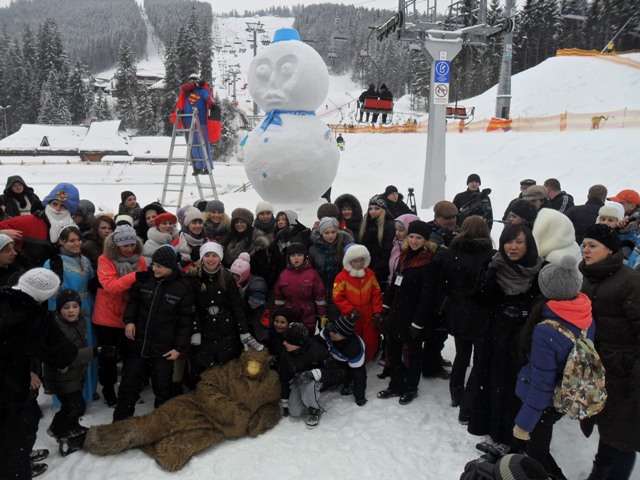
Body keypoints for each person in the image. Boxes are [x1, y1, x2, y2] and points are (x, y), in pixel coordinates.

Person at [85, 349, 281, 472]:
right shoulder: (229, 370)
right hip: (195, 405)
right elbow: (206, 385)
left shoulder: (270, 383)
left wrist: (256, 423)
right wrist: (226, 410)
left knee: (177, 449)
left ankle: (155, 448)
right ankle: (99, 438)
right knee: (154, 423)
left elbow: (272, 407)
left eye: (257, 365)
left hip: (217, 427)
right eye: (250, 364)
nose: (252, 368)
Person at [513, 256, 590, 480]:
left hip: (547, 402)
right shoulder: (583, 314)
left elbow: (542, 383)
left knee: (538, 453)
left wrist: (524, 424)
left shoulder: (546, 331)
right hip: (567, 391)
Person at [467, 223, 544, 445]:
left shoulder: (540, 270)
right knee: (491, 384)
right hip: (494, 337)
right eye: (508, 241)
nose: (512, 247)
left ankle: (514, 436)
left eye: (519, 241)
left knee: (515, 390)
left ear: (528, 244)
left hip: (522, 342)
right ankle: (492, 430)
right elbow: (480, 303)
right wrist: (488, 281)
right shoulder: (494, 266)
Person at [0, 268, 78, 479]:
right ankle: (16, 469)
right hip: (9, 388)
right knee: (15, 432)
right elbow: (62, 354)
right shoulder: (34, 317)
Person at [579, 224, 640, 480]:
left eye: (592, 245)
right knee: (608, 428)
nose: (585, 250)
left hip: (624, 373)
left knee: (622, 436)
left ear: (610, 249)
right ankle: (599, 473)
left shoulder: (630, 282)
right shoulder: (591, 276)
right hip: (600, 370)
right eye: (584, 245)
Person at [113, 245, 196, 421]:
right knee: (128, 386)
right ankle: (119, 423)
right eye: (154, 265)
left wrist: (179, 348)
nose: (154, 269)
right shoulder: (145, 281)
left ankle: (161, 423)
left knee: (163, 388)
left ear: (171, 267)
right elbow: (133, 304)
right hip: (139, 344)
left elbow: (185, 321)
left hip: (164, 350)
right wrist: (129, 322)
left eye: (159, 266)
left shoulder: (183, 287)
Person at [43, 289, 117, 455]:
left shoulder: (80, 319)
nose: (71, 310)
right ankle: (60, 431)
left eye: (75, 306)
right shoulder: (57, 329)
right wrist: (96, 351)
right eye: (66, 307)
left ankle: (71, 426)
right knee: (74, 405)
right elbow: (68, 356)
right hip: (61, 375)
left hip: (75, 372)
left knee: (75, 405)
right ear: (58, 309)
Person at [377, 220, 439, 405]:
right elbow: (393, 284)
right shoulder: (403, 257)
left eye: (418, 238)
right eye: (411, 236)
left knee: (413, 354)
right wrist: (386, 307)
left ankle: (411, 387)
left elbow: (427, 297)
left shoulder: (429, 263)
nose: (413, 241)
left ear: (426, 241)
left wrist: (417, 322)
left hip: (413, 316)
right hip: (397, 313)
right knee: (393, 350)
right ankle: (396, 384)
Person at [439, 216, 495, 419]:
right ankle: (473, 395)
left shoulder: (452, 252)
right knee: (479, 358)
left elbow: (445, 283)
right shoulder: (490, 255)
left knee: (461, 355)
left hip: (458, 310)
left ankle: (456, 393)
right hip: (480, 313)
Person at [187, 242, 262, 389]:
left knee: (227, 368)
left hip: (226, 330)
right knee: (200, 370)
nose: (210, 259)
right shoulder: (194, 278)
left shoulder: (227, 277)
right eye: (207, 255)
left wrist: (243, 331)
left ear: (219, 257)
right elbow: (191, 306)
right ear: (202, 258)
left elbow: (237, 306)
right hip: (204, 330)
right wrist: (195, 330)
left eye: (214, 255)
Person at [92, 225, 147, 407]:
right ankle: (108, 391)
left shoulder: (140, 260)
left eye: (132, 244)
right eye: (125, 246)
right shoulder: (104, 259)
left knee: (131, 355)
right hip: (107, 314)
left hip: (130, 314)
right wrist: (135, 277)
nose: (130, 249)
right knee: (108, 355)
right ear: (116, 246)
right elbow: (111, 286)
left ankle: (128, 389)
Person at [44, 225, 98, 405]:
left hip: (86, 308)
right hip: (66, 311)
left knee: (86, 348)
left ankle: (86, 393)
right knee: (69, 349)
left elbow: (91, 280)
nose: (77, 244)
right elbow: (51, 293)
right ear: (61, 242)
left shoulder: (85, 260)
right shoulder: (53, 262)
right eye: (71, 240)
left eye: (78, 240)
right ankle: (68, 398)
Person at [0, 182, 79, 268]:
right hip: (28, 277)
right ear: (48, 204)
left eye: (63, 206)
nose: (57, 209)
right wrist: (2, 233)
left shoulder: (74, 230)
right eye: (54, 204)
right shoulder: (27, 222)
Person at [278, 322, 340, 429]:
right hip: (297, 380)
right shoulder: (286, 353)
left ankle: (315, 409)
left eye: (288, 342)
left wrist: (314, 374)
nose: (284, 343)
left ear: (298, 343)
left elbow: (335, 372)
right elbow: (284, 377)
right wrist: (285, 401)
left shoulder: (317, 350)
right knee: (295, 412)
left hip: (315, 380)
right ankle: (304, 398)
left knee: (309, 386)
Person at [332, 243, 383, 363]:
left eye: (361, 260)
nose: (359, 263)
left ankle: (366, 359)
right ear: (349, 261)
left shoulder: (370, 274)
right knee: (352, 338)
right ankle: (354, 360)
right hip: (351, 315)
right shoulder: (341, 277)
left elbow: (376, 294)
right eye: (355, 261)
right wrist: (350, 310)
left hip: (368, 312)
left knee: (370, 339)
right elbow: (337, 297)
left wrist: (377, 311)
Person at [274, 242, 327, 335]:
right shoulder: (284, 274)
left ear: (305, 256)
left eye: (299, 255)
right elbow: (279, 297)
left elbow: (320, 297)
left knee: (306, 338)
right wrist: (277, 313)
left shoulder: (312, 274)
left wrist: (322, 315)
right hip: (289, 314)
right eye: (293, 255)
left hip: (307, 314)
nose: (296, 258)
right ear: (288, 257)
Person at [317, 311, 367, 406]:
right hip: (334, 355)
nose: (331, 332)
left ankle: (349, 382)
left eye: (335, 332)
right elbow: (317, 342)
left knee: (350, 372)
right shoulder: (328, 332)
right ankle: (330, 381)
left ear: (344, 336)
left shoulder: (354, 349)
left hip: (347, 361)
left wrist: (360, 396)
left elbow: (360, 374)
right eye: (331, 329)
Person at [171, 73, 215, 174]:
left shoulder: (202, 91)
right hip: (189, 121)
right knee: (193, 145)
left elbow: (209, 99)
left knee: (203, 144)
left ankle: (207, 167)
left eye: (193, 80)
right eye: (190, 80)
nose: (191, 82)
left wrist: (211, 104)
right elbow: (183, 87)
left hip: (201, 122)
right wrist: (196, 84)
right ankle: (198, 166)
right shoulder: (186, 92)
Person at [308, 217, 349, 321]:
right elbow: (310, 271)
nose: (330, 236)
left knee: (335, 321)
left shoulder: (342, 247)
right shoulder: (313, 249)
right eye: (327, 233)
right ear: (321, 233)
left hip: (338, 291)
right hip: (320, 291)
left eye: (333, 232)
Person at [230, 252, 269, 342]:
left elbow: (255, 302)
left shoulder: (255, 282)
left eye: (238, 275)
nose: (235, 277)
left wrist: (255, 298)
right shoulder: (232, 283)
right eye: (233, 274)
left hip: (254, 322)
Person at [359, 195, 396, 291]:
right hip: (366, 268)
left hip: (380, 272)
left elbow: (387, 252)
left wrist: (375, 270)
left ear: (383, 210)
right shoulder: (366, 223)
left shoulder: (389, 225)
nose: (373, 211)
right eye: (370, 208)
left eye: (377, 208)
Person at [223, 207, 270, 279]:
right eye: (236, 222)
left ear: (248, 223)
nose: (239, 224)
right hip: (229, 279)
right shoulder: (229, 237)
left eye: (242, 221)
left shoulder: (257, 241)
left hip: (249, 280)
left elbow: (261, 269)